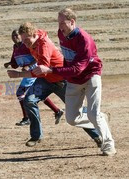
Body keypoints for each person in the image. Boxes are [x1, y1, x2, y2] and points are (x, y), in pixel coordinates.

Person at [35, 8, 116, 156]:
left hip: (91, 76)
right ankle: (101, 118)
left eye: (62, 23)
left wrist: (51, 70)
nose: (60, 27)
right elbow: (67, 58)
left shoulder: (85, 40)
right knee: (72, 119)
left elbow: (78, 68)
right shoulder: (62, 34)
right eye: (58, 23)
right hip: (74, 80)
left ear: (72, 22)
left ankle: (108, 145)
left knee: (93, 114)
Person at [7, 22, 102, 148]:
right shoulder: (32, 42)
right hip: (46, 80)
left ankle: (97, 132)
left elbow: (42, 70)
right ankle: (36, 136)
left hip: (61, 81)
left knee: (76, 111)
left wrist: (18, 75)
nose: (25, 43)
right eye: (23, 40)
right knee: (29, 100)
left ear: (34, 34)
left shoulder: (44, 45)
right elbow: (39, 67)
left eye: (26, 39)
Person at [4, 30, 64, 126]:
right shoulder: (15, 47)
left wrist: (28, 66)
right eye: (12, 35)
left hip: (34, 71)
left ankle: (26, 118)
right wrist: (10, 63)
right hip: (30, 73)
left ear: (21, 36)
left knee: (20, 92)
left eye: (16, 35)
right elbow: (15, 62)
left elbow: (37, 58)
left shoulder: (26, 45)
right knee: (38, 93)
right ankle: (57, 111)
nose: (14, 37)